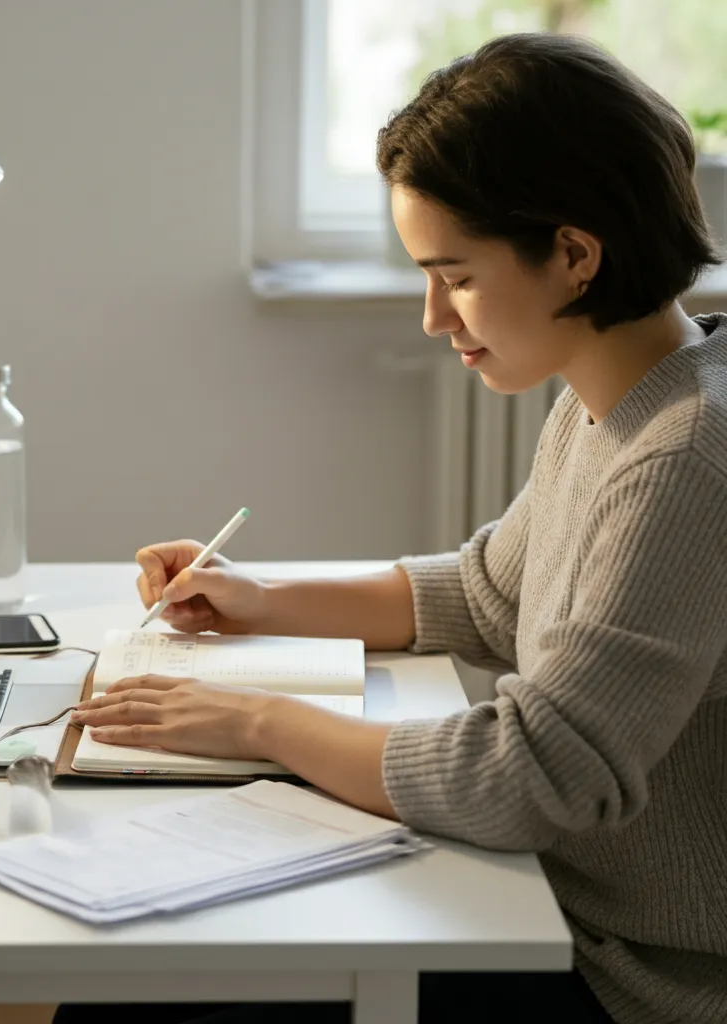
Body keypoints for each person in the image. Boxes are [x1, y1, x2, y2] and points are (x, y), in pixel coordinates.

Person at [55, 31, 727, 1024]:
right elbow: (488, 595)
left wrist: (256, 723)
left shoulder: (682, 457)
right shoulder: (619, 399)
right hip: (544, 900)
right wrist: (258, 599)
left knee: (140, 993)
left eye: (453, 275)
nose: (429, 315)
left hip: (628, 978)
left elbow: (533, 777)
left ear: (575, 255)